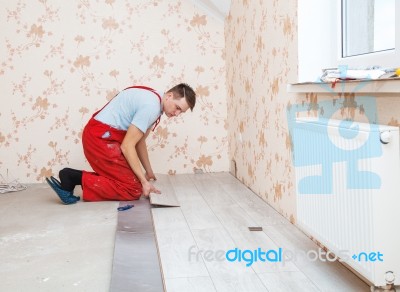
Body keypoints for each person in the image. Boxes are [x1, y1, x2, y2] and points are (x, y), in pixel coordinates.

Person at [46, 83, 196, 204]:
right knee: (133, 189)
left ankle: (71, 177)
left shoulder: (155, 100)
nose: (177, 114)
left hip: (104, 135)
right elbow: (127, 146)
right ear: (169, 96)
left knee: (134, 180)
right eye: (177, 108)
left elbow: (139, 142)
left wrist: (148, 171)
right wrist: (143, 182)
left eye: (181, 112)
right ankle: (71, 177)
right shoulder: (151, 107)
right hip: (100, 138)